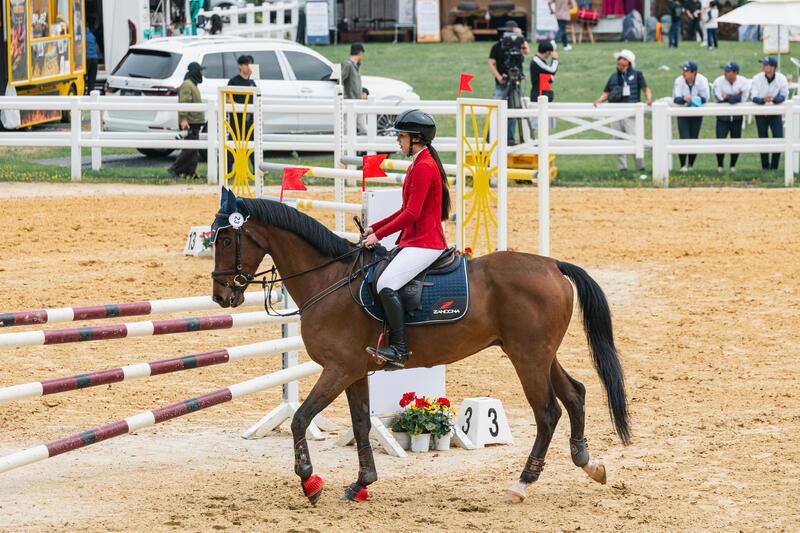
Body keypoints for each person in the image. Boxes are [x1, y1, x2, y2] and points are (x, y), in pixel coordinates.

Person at [361, 110, 451, 368]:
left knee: (386, 283)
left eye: (401, 137)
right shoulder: (419, 164)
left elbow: (411, 214)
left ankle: (400, 350)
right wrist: (374, 228)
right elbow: (405, 209)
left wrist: (380, 235)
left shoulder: (424, 167)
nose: (398, 142)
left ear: (416, 139)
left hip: (426, 243)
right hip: (414, 241)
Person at [594, 50, 653, 172]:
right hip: (615, 112)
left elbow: (645, 88)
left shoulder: (637, 75)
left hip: (631, 113)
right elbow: (606, 92)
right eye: (619, 59)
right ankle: (622, 168)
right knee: (617, 140)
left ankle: (640, 167)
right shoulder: (613, 77)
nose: (619, 61)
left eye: (622, 58)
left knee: (635, 139)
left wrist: (649, 99)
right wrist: (599, 101)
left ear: (628, 62)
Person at [488, 21, 530, 145]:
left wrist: (521, 36)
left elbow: (527, 51)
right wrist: (499, 76)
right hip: (501, 83)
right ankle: (491, 139)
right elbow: (491, 63)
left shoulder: (519, 45)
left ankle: (510, 139)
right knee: (495, 111)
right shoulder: (497, 46)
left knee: (513, 111)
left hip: (516, 82)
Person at [750, 56, 789, 170]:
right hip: (761, 112)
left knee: (778, 137)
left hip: (775, 112)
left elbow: (784, 95)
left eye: (766, 65)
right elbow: (753, 96)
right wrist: (763, 100)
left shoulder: (781, 78)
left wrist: (773, 99)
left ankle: (774, 166)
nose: (763, 67)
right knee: (763, 139)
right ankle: (765, 167)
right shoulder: (757, 78)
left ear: (773, 68)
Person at [168, 62, 205, 179]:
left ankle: (190, 172)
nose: (201, 74)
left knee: (193, 149)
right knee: (189, 149)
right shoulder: (187, 85)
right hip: (190, 121)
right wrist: (183, 119)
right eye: (199, 71)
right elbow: (184, 102)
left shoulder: (192, 84)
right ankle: (174, 169)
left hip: (195, 121)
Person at [712, 61, 749, 172]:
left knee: (736, 141)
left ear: (735, 72)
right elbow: (720, 98)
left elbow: (743, 99)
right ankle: (720, 165)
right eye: (725, 71)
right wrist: (735, 96)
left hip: (737, 117)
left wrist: (728, 96)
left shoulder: (743, 82)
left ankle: (733, 165)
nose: (726, 73)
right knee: (720, 141)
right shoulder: (718, 82)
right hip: (723, 118)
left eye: (728, 71)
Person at [672, 61, 709, 171]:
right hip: (683, 112)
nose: (684, 73)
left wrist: (694, 99)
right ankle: (682, 165)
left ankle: (691, 165)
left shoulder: (702, 80)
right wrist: (684, 99)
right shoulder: (679, 81)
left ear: (694, 73)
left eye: (687, 71)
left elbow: (705, 98)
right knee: (684, 137)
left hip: (696, 113)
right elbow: (676, 98)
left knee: (694, 137)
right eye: (684, 71)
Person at [226, 55, 257, 173]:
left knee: (252, 145)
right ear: (240, 65)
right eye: (247, 64)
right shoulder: (233, 81)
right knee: (233, 145)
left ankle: (257, 171)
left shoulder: (253, 82)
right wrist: (240, 107)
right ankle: (227, 171)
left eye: (251, 64)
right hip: (236, 119)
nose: (249, 67)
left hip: (250, 120)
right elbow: (228, 99)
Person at [341, 43, 367, 135]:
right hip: (350, 100)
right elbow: (340, 80)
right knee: (348, 128)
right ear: (360, 53)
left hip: (357, 100)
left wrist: (363, 91)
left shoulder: (355, 65)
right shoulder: (347, 64)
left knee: (363, 127)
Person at [85, 20, 99, 94]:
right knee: (92, 80)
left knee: (83, 80)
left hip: (86, 60)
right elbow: (97, 48)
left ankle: (82, 97)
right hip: (94, 59)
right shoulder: (92, 36)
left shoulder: (81, 37)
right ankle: (91, 98)